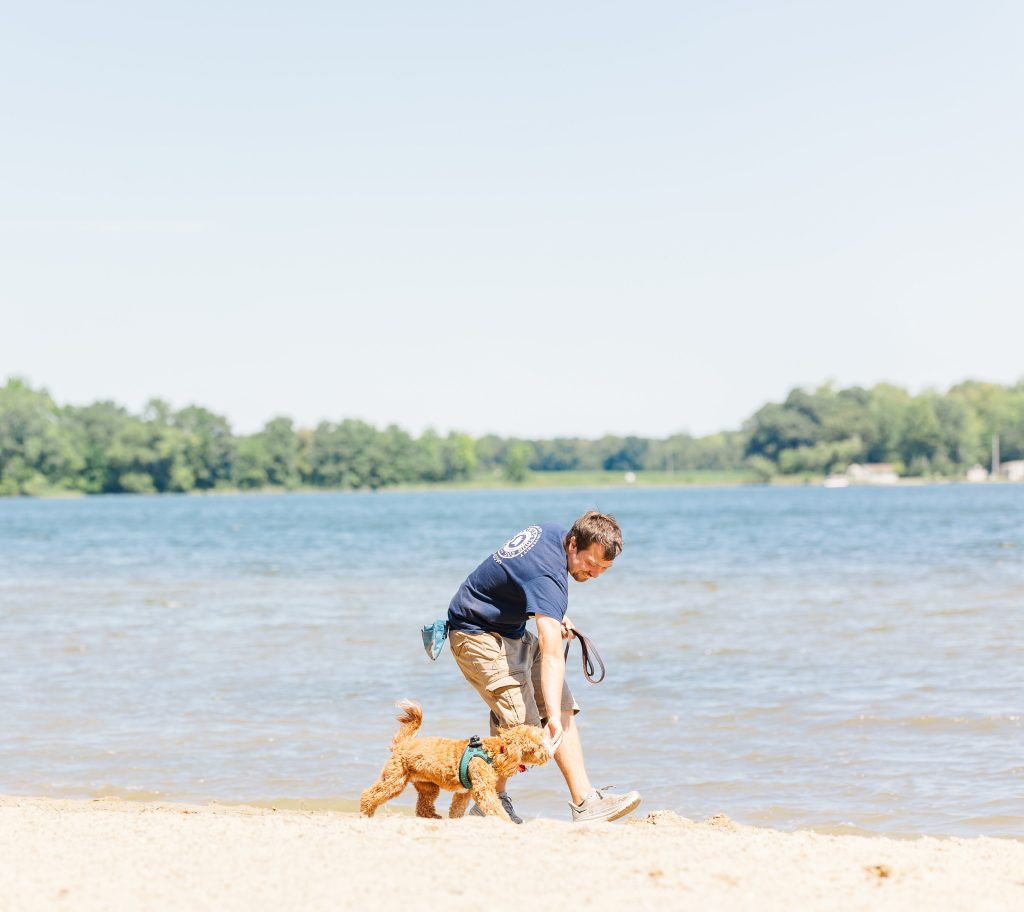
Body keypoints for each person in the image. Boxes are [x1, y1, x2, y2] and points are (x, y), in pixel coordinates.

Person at [446, 510, 641, 824]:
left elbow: (517, 579)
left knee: (563, 706)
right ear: (574, 543)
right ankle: (489, 803)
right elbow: (551, 653)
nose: (595, 574)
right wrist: (546, 715)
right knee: (526, 729)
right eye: (591, 563)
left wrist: (549, 612)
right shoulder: (549, 577)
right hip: (475, 635)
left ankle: (585, 802)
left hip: (508, 629)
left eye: (604, 568)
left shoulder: (554, 534)